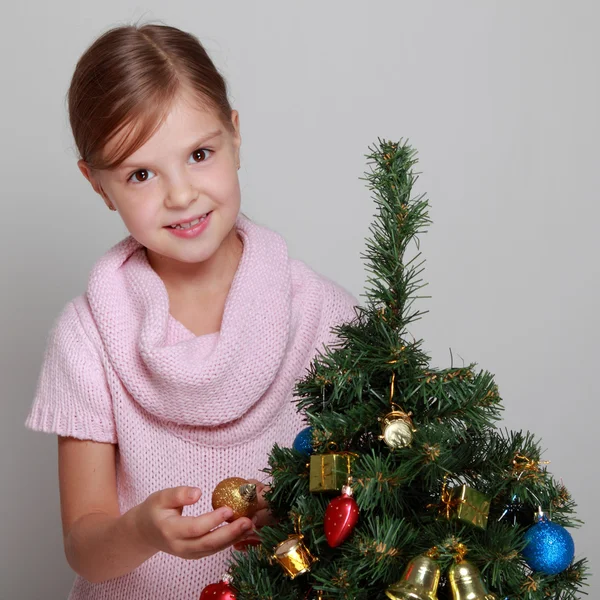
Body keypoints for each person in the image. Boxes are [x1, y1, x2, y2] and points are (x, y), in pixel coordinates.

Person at [24, 21, 358, 600]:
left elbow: (375, 499)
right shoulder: (88, 337)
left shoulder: (321, 314)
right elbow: (86, 548)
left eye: (199, 154)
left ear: (234, 135)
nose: (180, 195)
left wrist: (287, 515)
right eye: (141, 174)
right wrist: (141, 531)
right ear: (99, 185)